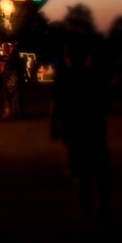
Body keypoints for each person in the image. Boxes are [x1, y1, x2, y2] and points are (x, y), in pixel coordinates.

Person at [51, 46, 111, 216]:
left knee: (80, 170)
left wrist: (54, 126)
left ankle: (85, 208)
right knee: (100, 169)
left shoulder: (64, 77)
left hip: (73, 127)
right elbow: (104, 102)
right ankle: (103, 206)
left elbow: (57, 104)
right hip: (93, 126)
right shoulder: (93, 76)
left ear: (68, 57)